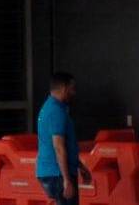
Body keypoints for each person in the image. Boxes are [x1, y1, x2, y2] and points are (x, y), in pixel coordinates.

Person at [37, 73, 92, 205]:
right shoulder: (56, 111)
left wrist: (79, 165)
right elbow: (59, 147)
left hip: (54, 172)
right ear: (63, 88)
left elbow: (65, 146)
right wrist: (66, 179)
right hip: (57, 173)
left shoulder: (50, 108)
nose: (74, 92)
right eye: (72, 88)